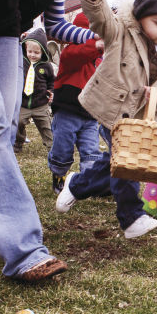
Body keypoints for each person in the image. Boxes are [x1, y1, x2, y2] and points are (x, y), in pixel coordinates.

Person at [0, 0, 111, 280]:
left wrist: (96, 37)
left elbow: (56, 27)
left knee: (4, 129)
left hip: (2, 32)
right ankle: (25, 251)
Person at [55, 0, 157, 239]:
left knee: (118, 160)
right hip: (115, 110)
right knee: (128, 165)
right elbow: (100, 19)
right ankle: (131, 217)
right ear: (141, 15)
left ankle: (76, 185)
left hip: (146, 118)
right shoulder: (121, 32)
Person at [48, 12, 103, 194]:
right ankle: (59, 173)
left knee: (91, 150)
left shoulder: (99, 59)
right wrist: (96, 44)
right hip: (67, 110)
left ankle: (87, 182)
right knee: (63, 147)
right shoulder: (71, 51)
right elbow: (82, 53)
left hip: (90, 113)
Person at [14, 29, 55, 153]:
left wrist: (51, 91)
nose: (32, 55)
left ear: (43, 51)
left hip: (40, 104)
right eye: (30, 51)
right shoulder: (21, 62)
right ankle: (18, 143)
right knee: (18, 122)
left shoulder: (46, 66)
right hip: (24, 103)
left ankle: (51, 147)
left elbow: (52, 82)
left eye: (36, 52)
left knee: (46, 126)